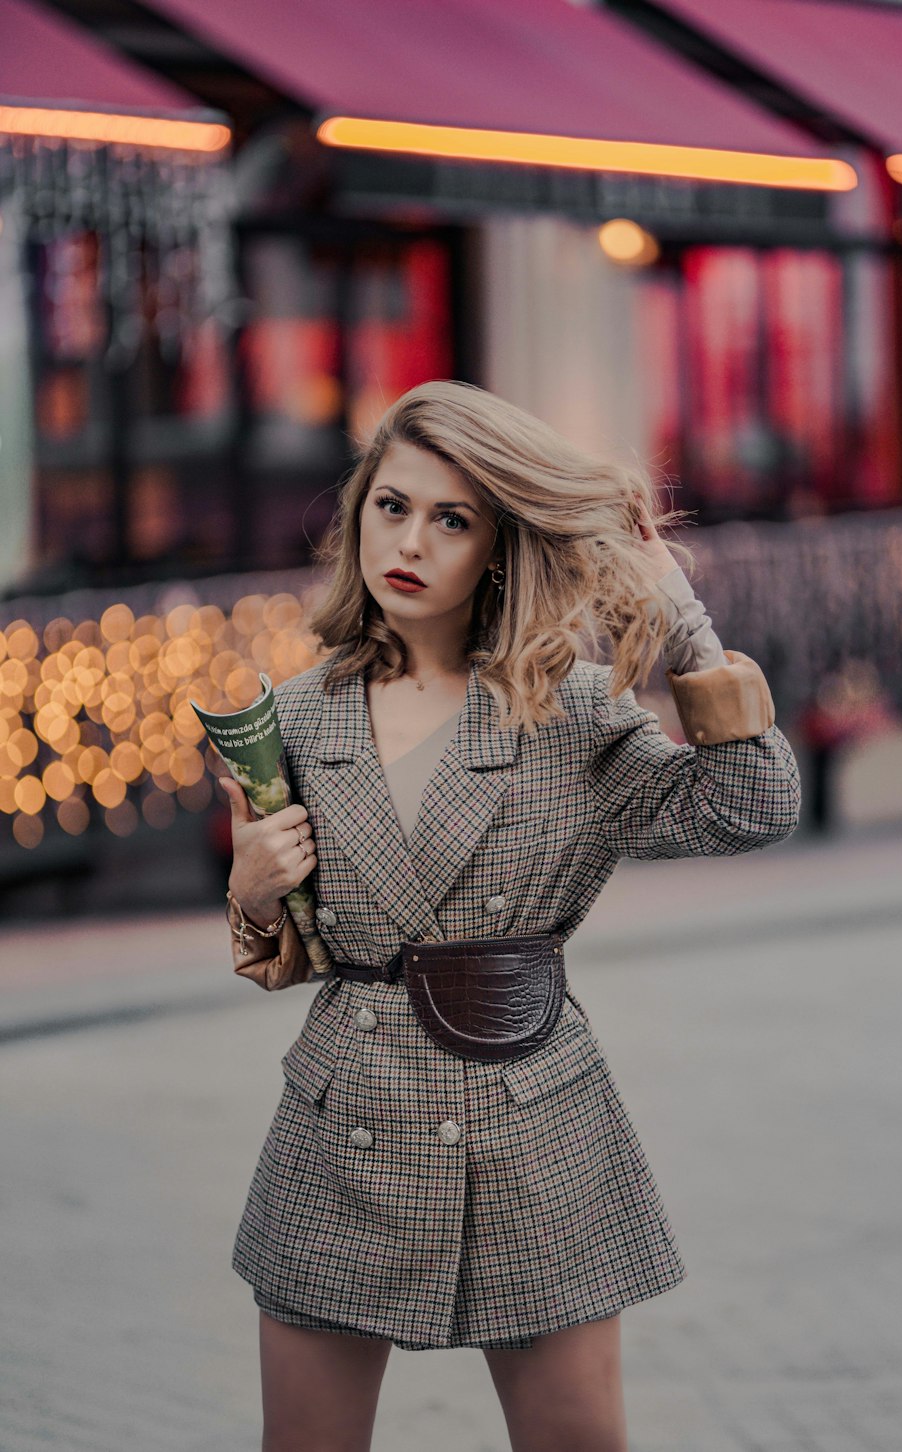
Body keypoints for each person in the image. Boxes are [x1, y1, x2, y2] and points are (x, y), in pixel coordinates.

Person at [219, 380, 801, 1452]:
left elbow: (750, 806)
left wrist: (686, 629)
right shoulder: (294, 717)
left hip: (530, 1120)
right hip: (344, 1115)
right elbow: (298, 949)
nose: (411, 541)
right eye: (391, 506)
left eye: (452, 519)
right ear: (357, 515)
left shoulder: (567, 708)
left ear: (497, 545)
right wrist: (251, 897)